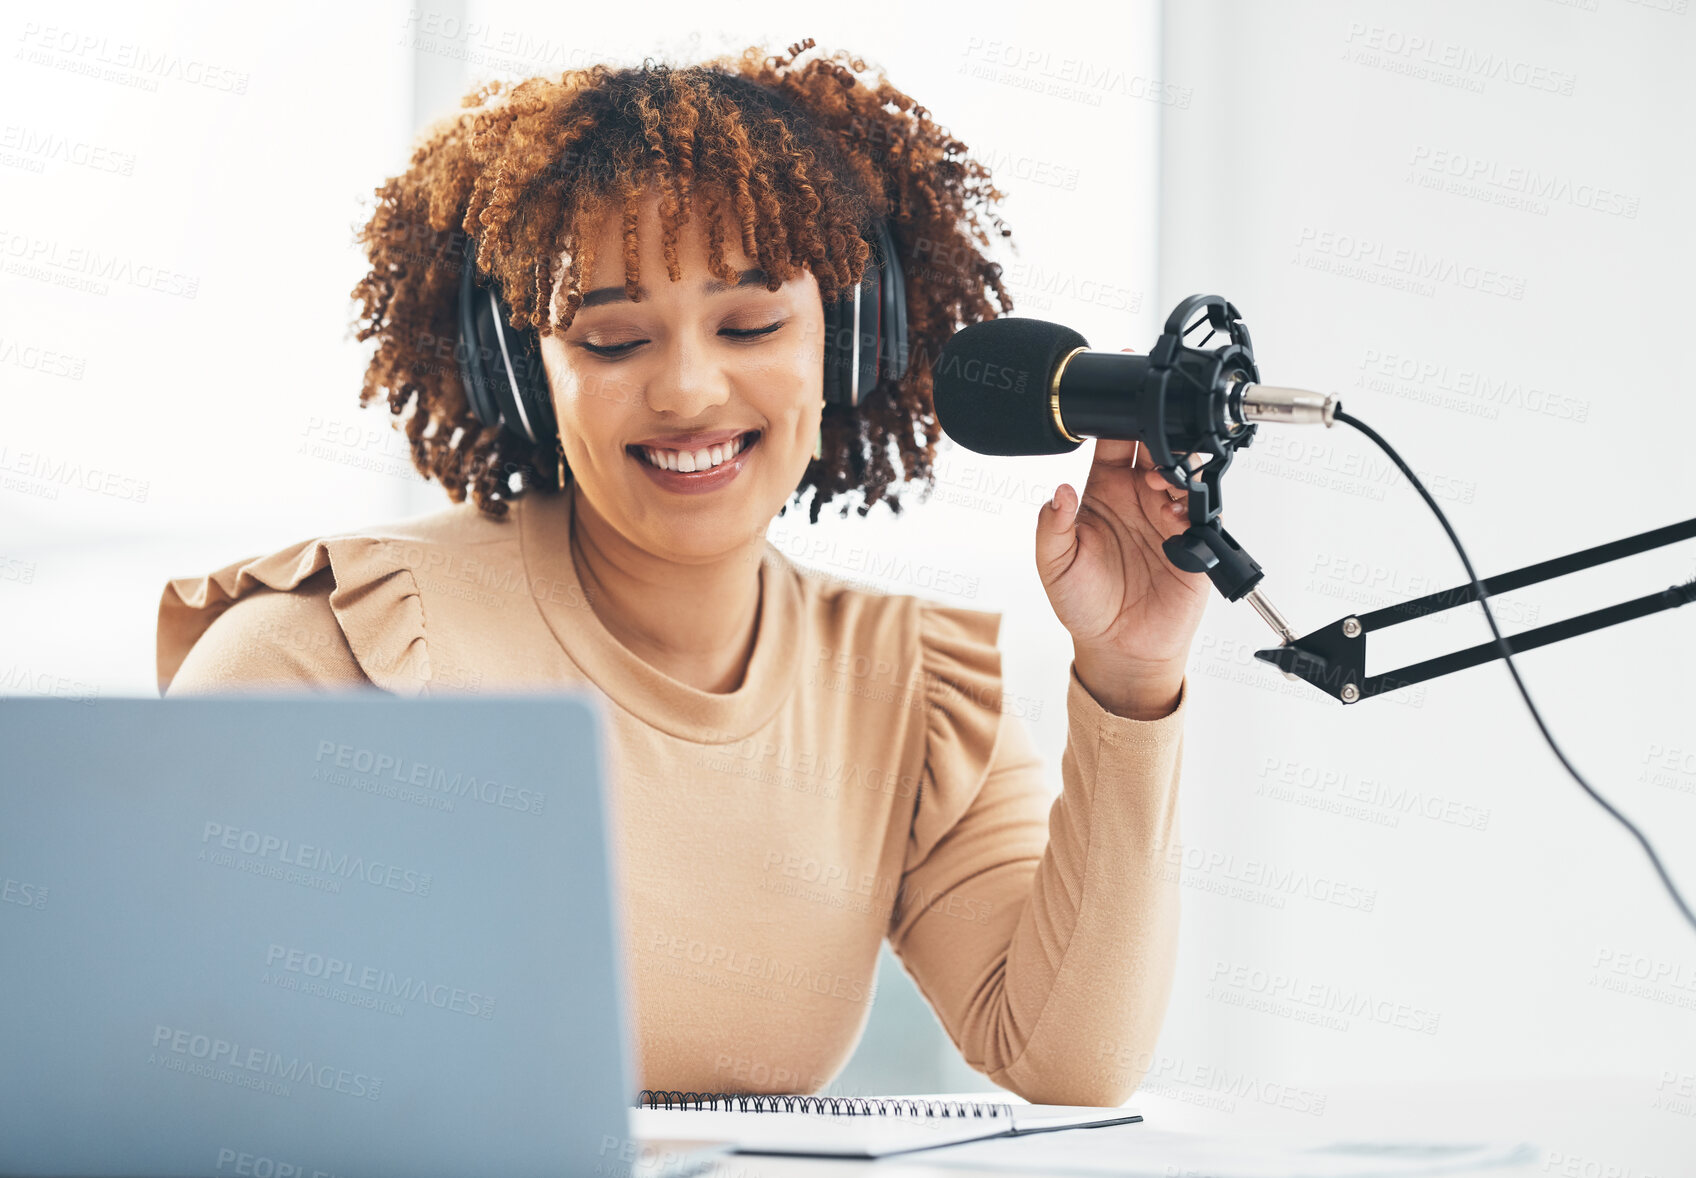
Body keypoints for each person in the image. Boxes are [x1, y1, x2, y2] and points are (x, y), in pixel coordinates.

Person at [155, 39, 1210, 1105]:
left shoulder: (908, 686)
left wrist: (1130, 679)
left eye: (750, 322)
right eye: (612, 341)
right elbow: (169, 1075)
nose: (691, 391)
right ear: (529, 375)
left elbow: (1072, 1060)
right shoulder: (327, 652)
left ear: (842, 343)